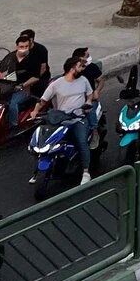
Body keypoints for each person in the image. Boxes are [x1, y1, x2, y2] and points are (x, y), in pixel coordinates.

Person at [32, 52, 99, 184]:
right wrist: (35, 110)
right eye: (80, 67)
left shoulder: (83, 80)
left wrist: (89, 102)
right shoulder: (56, 84)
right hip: (60, 118)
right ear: (72, 69)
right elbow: (43, 100)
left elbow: (90, 95)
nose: (82, 69)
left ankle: (86, 172)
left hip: (78, 118)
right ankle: (37, 171)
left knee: (82, 142)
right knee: (46, 141)